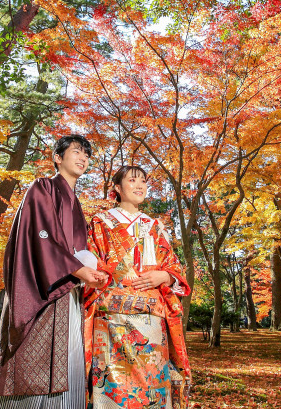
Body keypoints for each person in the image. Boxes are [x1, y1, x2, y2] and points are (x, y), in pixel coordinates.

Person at [0, 134, 107, 409]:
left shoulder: (75, 202)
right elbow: (39, 238)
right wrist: (78, 269)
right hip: (40, 287)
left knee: (69, 356)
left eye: (87, 154)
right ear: (58, 158)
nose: (83, 157)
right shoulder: (42, 187)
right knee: (34, 353)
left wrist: (88, 271)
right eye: (77, 151)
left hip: (68, 291)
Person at [84, 165, 191, 409]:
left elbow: (173, 266)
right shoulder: (100, 222)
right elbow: (91, 262)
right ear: (117, 188)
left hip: (150, 316)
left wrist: (163, 276)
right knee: (111, 385)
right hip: (111, 317)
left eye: (143, 181)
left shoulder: (154, 226)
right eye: (132, 180)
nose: (140, 185)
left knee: (152, 379)